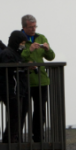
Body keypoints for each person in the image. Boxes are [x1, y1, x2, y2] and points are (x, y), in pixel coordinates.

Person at [21, 14, 56, 143]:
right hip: (25, 81)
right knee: (22, 109)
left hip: (41, 80)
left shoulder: (41, 37)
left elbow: (51, 57)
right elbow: (16, 57)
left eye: (35, 26)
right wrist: (28, 50)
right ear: (24, 27)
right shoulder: (19, 38)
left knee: (40, 110)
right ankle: (17, 136)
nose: (33, 29)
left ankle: (38, 137)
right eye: (31, 27)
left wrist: (47, 49)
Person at [0, 30, 30, 143]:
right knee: (15, 115)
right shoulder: (7, 53)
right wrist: (23, 68)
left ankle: (11, 138)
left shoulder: (16, 54)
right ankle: (9, 140)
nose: (23, 45)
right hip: (11, 89)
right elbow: (10, 70)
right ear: (16, 42)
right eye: (22, 42)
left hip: (17, 89)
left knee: (18, 115)